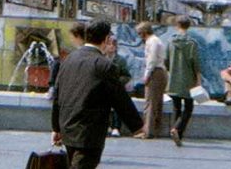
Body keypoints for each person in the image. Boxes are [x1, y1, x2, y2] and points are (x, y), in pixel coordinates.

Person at [51, 20, 143, 169]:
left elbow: (58, 95)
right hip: (89, 133)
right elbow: (119, 98)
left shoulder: (68, 59)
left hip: (67, 127)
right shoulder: (105, 65)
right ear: (106, 39)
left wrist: (56, 127)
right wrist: (137, 126)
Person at [165, 15, 201, 146]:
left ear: (177, 25)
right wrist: (198, 80)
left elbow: (166, 61)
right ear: (189, 26)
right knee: (189, 107)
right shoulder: (192, 43)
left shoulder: (170, 42)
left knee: (176, 108)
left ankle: (176, 132)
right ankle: (177, 130)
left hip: (174, 79)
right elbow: (195, 63)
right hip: (188, 80)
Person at [133, 22, 167, 139]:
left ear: (144, 32)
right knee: (157, 102)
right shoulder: (157, 40)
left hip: (155, 72)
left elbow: (151, 60)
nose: (139, 36)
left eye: (139, 33)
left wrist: (147, 75)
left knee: (150, 102)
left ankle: (147, 131)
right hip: (161, 72)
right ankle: (155, 129)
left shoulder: (151, 41)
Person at [103, 35, 132, 138]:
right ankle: (106, 126)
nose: (111, 47)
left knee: (117, 108)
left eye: (113, 45)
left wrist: (118, 82)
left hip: (116, 88)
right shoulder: (101, 58)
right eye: (109, 44)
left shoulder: (120, 60)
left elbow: (127, 75)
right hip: (103, 88)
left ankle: (116, 127)